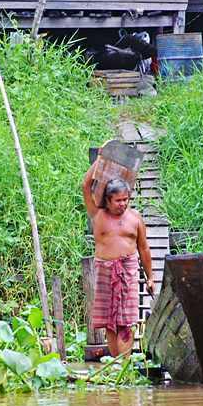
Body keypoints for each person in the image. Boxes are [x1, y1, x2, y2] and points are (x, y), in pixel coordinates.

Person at [81, 154, 155, 359]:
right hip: (105, 271)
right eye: (118, 201)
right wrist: (101, 158)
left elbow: (144, 249)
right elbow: (86, 186)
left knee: (127, 321)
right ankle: (116, 366)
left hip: (128, 272)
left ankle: (124, 366)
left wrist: (149, 277)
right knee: (110, 321)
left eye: (126, 200)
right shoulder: (97, 215)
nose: (122, 204)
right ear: (108, 200)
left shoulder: (135, 217)